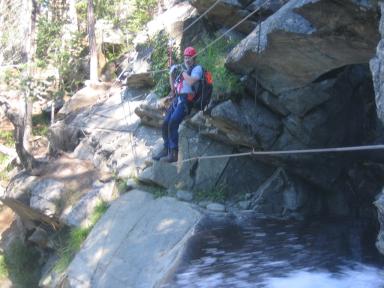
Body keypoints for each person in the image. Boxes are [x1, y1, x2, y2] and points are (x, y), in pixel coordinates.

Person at [153, 46, 203, 162]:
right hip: (178, 100)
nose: (187, 60)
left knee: (173, 121)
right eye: (185, 57)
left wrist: (181, 72)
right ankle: (166, 149)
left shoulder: (197, 69)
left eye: (189, 58)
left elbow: (191, 81)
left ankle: (174, 153)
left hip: (187, 101)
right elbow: (173, 89)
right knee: (165, 123)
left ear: (194, 58)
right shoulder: (183, 70)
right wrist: (171, 74)